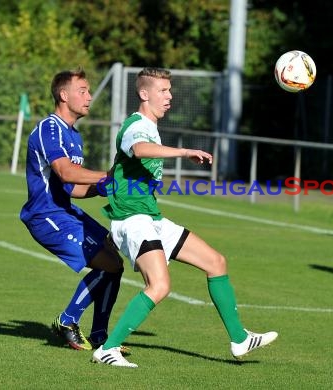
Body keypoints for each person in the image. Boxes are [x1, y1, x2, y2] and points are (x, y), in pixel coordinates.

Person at [91, 67, 278, 368]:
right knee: (160, 286)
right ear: (144, 94)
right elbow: (139, 149)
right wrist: (183, 151)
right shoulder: (135, 125)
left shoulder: (151, 126)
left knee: (216, 262)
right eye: (163, 90)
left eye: (169, 90)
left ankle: (239, 339)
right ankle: (107, 349)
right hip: (132, 219)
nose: (170, 96)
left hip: (150, 218)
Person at [20, 68, 126, 351]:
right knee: (109, 265)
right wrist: (108, 175)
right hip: (46, 216)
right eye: (83, 91)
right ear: (63, 95)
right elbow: (66, 173)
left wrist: (102, 187)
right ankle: (67, 321)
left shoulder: (74, 135)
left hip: (65, 210)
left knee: (114, 258)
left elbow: (73, 188)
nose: (89, 97)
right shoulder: (48, 128)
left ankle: (102, 338)